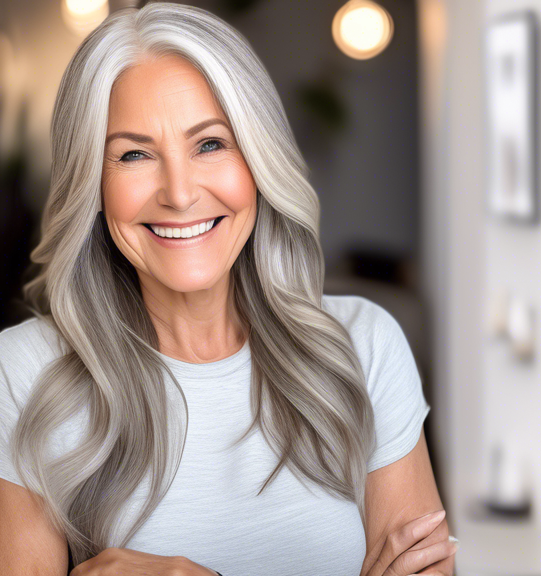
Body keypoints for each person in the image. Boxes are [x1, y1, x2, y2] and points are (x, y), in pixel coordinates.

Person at [0, 4, 455, 575]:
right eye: (134, 154)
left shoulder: (363, 347)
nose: (180, 193)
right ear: (91, 183)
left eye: (210, 144)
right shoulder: (26, 375)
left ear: (259, 161)